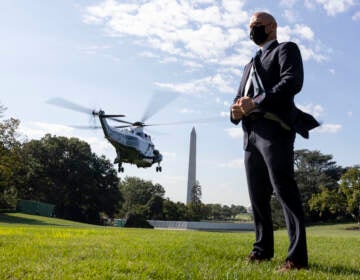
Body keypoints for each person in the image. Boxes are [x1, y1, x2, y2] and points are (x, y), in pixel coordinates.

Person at [230, 11, 319, 272]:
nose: (251, 30)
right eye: (249, 26)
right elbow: (238, 98)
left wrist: (256, 102)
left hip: (275, 129)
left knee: (284, 191)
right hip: (250, 134)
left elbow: (292, 82)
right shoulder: (249, 64)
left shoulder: (286, 50)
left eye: (256, 25)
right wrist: (234, 111)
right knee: (257, 195)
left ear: (271, 27)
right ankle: (261, 251)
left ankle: (296, 258)